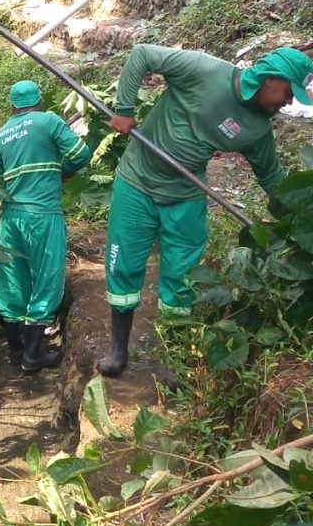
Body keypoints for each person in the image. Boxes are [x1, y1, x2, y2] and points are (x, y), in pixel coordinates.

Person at [99, 45, 313, 376]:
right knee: (122, 266)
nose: (288, 102)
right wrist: (124, 109)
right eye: (288, 92)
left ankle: (172, 359)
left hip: (186, 196)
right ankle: (117, 349)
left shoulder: (257, 129)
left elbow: (272, 177)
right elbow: (142, 54)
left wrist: (299, 221)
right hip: (137, 184)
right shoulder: (204, 70)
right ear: (273, 78)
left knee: (181, 279)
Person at [0, 80, 92, 371]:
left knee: (12, 282)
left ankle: (17, 351)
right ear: (39, 100)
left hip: (9, 218)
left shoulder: (1, 134)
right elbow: (81, 153)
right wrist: (63, 173)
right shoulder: (48, 121)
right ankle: (34, 356)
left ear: (12, 105)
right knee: (46, 278)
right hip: (42, 215)